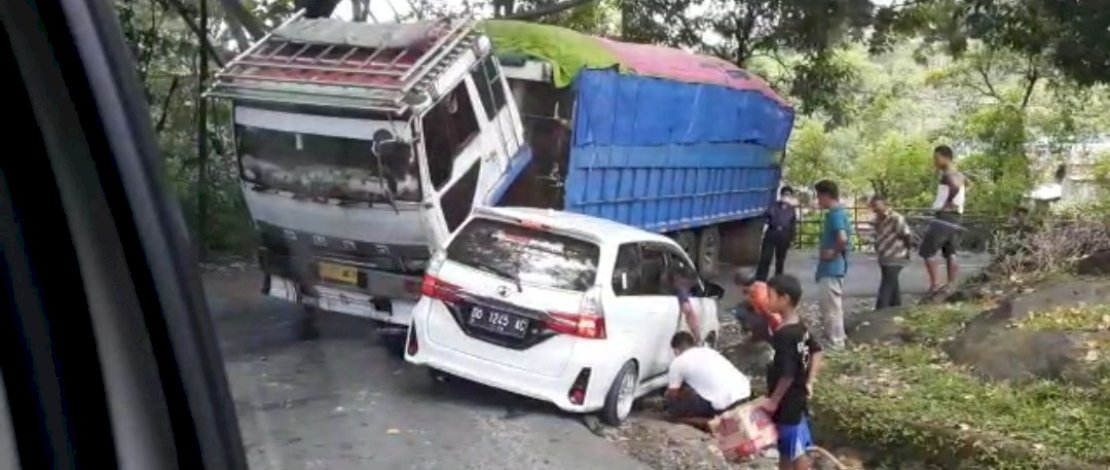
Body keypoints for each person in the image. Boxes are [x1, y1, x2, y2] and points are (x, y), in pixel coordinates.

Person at [759, 275, 824, 470]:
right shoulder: (799, 325)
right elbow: (817, 351)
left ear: (784, 299)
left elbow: (787, 374)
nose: (766, 300)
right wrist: (809, 381)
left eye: (769, 296)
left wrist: (773, 401)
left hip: (788, 404)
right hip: (797, 398)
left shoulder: (785, 334)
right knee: (787, 450)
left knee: (796, 452)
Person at [665, 331, 752, 431]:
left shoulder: (678, 362)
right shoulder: (709, 351)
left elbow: (673, 395)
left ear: (676, 350)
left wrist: (669, 397)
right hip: (745, 394)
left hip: (725, 404)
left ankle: (705, 421)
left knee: (673, 408)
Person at [920, 145, 966, 295]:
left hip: (945, 216)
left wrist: (948, 202)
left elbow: (954, 188)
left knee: (927, 250)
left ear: (946, 158)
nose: (935, 161)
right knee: (950, 251)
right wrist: (957, 203)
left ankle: (935, 285)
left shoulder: (948, 175)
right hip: (956, 216)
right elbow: (969, 185)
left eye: (937, 158)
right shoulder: (960, 174)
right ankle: (951, 284)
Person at [813, 180, 851, 349]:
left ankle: (836, 343)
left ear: (826, 195)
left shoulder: (835, 215)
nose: (818, 201)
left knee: (831, 308)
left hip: (831, 267)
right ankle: (838, 338)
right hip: (834, 267)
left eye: (819, 196)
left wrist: (833, 252)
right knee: (832, 307)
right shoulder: (839, 213)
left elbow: (842, 238)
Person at [869, 195, 914, 310]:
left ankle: (880, 310)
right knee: (892, 283)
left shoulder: (896, 218)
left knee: (886, 285)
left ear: (885, 205)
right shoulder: (876, 220)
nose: (876, 210)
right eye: (873, 207)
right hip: (883, 256)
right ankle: (897, 307)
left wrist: (908, 250)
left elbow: (906, 235)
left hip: (896, 255)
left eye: (878, 206)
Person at [756, 186, 798, 281]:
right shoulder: (773, 206)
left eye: (788, 195)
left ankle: (778, 279)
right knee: (766, 257)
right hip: (772, 232)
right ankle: (760, 279)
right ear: (781, 195)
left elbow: (793, 224)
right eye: (785, 194)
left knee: (781, 259)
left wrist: (792, 238)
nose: (786, 197)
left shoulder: (791, 209)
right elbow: (766, 217)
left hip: (784, 234)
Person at [731, 268, 780, 343]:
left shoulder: (761, 298)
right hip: (759, 309)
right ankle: (751, 329)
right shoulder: (758, 285)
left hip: (766, 316)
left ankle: (760, 336)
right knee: (740, 308)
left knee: (743, 313)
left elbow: (773, 316)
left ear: (741, 285)